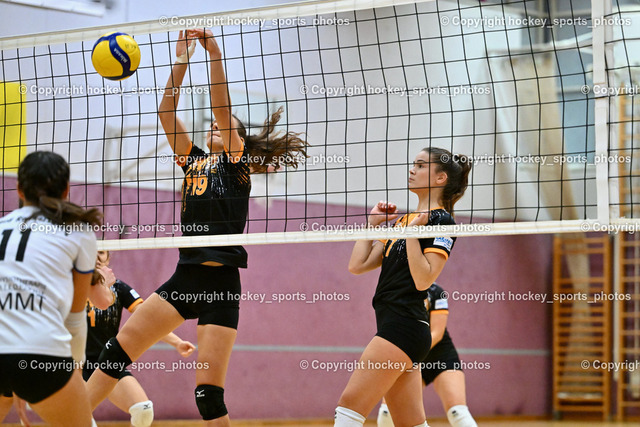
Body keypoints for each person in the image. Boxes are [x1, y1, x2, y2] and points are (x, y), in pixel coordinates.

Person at [86, 28, 307, 426]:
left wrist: (215, 55)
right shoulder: (192, 160)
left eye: (225, 128)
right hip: (184, 279)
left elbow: (223, 110)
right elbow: (166, 114)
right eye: (214, 128)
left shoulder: (237, 166)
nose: (216, 128)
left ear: (236, 136)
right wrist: (181, 60)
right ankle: (73, 418)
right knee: (114, 355)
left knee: (207, 396)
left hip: (222, 286)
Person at [336, 147, 471, 427]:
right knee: (409, 423)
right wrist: (372, 227)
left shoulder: (442, 221)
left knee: (349, 408)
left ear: (440, 177)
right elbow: (358, 265)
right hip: (396, 325)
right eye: (413, 164)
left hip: (404, 325)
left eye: (421, 165)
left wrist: (411, 236)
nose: (412, 170)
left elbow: (424, 280)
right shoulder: (403, 221)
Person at [0, 151, 101, 426]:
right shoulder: (80, 231)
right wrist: (75, 368)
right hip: (41, 356)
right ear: (66, 190)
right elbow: (75, 316)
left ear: (19, 188)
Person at [85, 250, 196, 427]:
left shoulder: (119, 288)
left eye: (102, 252)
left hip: (106, 363)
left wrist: (177, 342)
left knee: (143, 409)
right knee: (81, 418)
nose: (97, 256)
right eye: (94, 250)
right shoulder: (72, 284)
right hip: (74, 366)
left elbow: (149, 320)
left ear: (108, 258)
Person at [377, 283, 478, 427]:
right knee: (387, 413)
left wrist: (411, 352)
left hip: (439, 354)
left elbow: (436, 333)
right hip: (410, 356)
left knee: (458, 412)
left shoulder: (436, 292)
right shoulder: (394, 290)